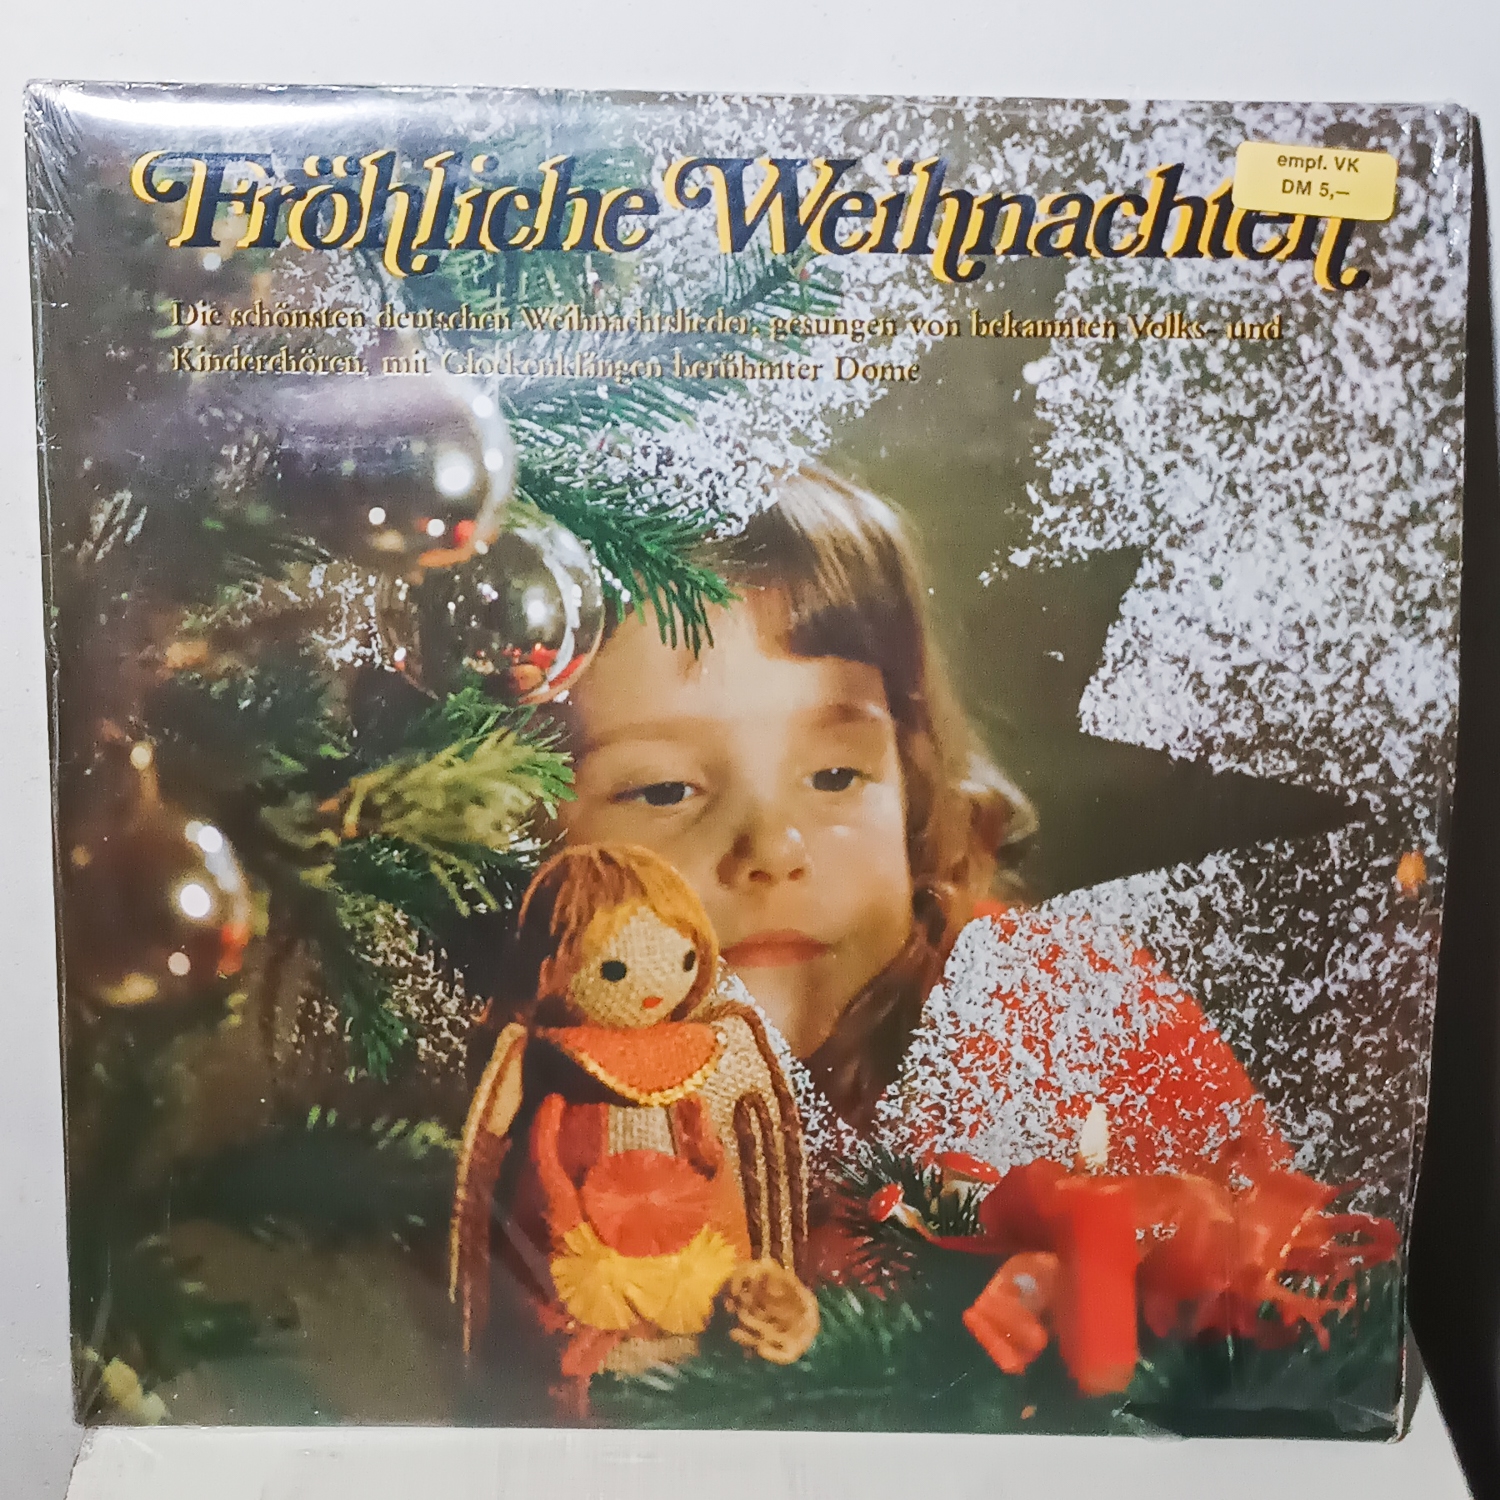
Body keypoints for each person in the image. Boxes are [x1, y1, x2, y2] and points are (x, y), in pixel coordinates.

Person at [548, 464, 1291, 1180]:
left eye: (835, 776)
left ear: (911, 782)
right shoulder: (500, 1113)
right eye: (663, 790)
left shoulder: (1071, 1024)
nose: (773, 850)